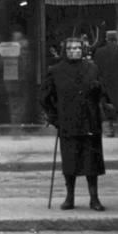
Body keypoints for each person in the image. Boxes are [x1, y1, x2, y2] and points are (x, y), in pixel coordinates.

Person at [41, 36, 107, 211]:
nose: (74, 51)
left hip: (90, 122)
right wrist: (54, 118)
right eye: (70, 49)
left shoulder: (92, 69)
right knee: (70, 162)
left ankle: (94, 199)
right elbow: (45, 98)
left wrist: (98, 88)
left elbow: (104, 93)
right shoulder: (55, 70)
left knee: (91, 162)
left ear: (83, 50)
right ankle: (69, 198)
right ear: (65, 51)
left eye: (77, 48)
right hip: (68, 123)